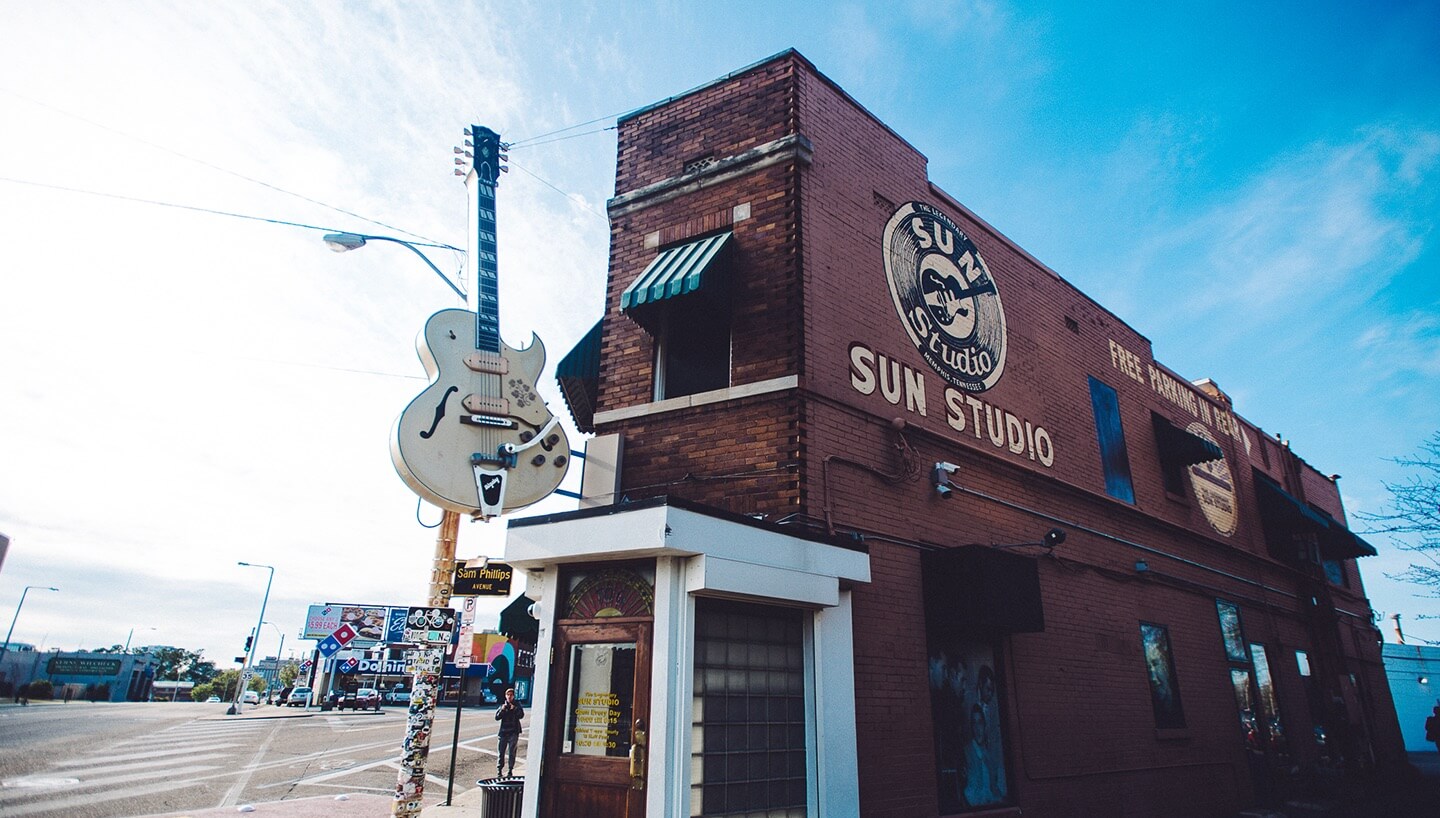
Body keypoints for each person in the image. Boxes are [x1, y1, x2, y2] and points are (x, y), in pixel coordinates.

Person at [494, 687, 525, 777]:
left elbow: (521, 715)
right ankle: (499, 770)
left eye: (511, 695)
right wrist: (502, 710)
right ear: (505, 696)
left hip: (513, 732)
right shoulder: (503, 705)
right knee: (501, 752)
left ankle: (510, 770)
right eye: (508, 695)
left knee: (512, 752)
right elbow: (497, 717)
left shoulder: (517, 705)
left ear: (513, 696)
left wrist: (514, 708)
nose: (509, 697)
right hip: (503, 732)